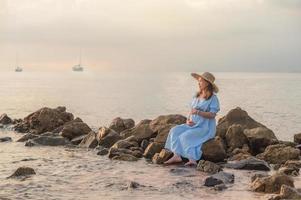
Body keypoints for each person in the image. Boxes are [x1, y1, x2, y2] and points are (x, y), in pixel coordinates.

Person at [164, 72, 220, 166]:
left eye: (201, 81)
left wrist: (198, 112)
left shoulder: (213, 98)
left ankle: (192, 159)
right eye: (198, 81)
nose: (198, 83)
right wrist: (188, 120)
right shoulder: (196, 95)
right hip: (192, 125)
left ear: (207, 83)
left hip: (204, 127)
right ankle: (176, 155)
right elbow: (191, 110)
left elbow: (212, 114)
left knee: (185, 136)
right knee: (174, 130)